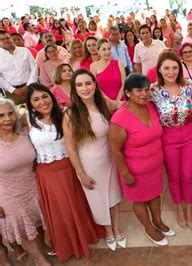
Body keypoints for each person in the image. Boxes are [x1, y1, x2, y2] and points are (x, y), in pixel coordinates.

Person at [24, 84, 104, 261]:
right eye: (36, 99)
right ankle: (67, 245)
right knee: (61, 212)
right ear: (30, 104)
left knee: (77, 206)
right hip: (47, 174)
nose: (42, 102)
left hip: (69, 168)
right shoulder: (27, 120)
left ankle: (85, 238)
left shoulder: (66, 114)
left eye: (44, 96)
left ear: (51, 97)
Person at [109, 74, 174, 246]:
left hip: (154, 167)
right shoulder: (119, 118)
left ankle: (158, 221)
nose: (144, 94)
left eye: (147, 90)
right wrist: (125, 173)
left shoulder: (151, 107)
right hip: (134, 171)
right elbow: (115, 150)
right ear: (128, 93)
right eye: (139, 90)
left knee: (154, 195)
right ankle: (149, 228)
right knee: (140, 200)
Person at [63, 69, 124, 251]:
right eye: (80, 85)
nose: (85, 88)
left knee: (114, 196)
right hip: (90, 164)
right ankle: (108, 232)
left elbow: (123, 107)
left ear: (95, 85)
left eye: (88, 83)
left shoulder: (104, 105)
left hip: (110, 160)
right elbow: (70, 148)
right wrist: (81, 173)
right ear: (74, 89)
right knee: (98, 200)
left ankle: (117, 229)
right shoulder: (70, 114)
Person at [0, 98, 51, 266]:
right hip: (8, 195)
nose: (7, 119)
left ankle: (42, 246)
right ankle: (39, 259)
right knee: (21, 228)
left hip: (32, 186)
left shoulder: (23, 132)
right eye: (1, 116)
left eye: (10, 114)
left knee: (36, 221)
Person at [150, 51, 192, 229]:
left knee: (188, 174)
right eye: (167, 68)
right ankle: (179, 208)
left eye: (175, 68)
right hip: (167, 137)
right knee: (174, 176)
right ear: (160, 70)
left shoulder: (188, 86)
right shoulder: (153, 90)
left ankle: (189, 207)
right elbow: (136, 105)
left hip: (189, 136)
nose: (171, 72)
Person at [0, 30, 37, 104]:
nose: (6, 40)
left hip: (30, 88)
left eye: (7, 38)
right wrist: (12, 90)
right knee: (18, 113)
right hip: (12, 92)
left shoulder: (24, 51)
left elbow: (34, 68)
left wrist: (29, 85)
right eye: (2, 39)